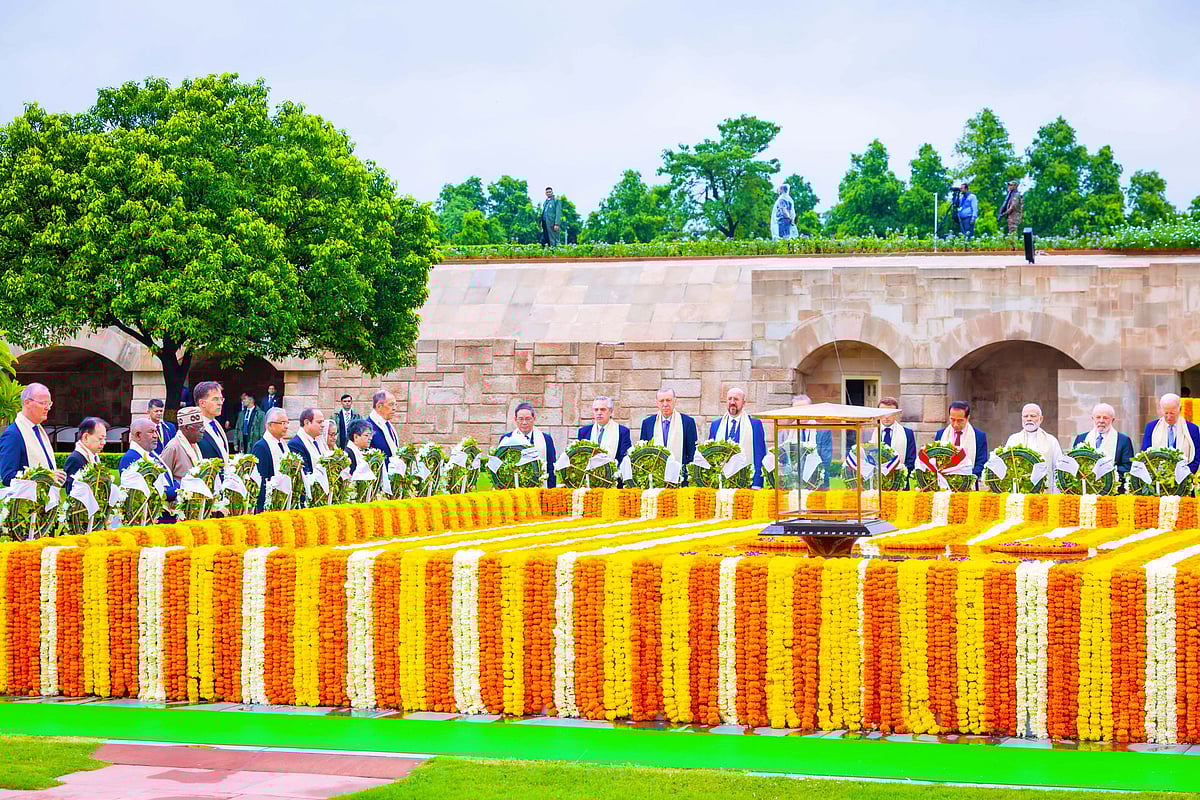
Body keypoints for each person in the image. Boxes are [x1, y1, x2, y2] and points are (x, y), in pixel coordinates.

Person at [0, 383, 67, 487]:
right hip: (27, 501)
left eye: (49, 403)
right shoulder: (13, 435)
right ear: (27, 403)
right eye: (43, 403)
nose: (47, 408)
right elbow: (8, 477)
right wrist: (45, 477)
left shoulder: (38, 430)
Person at [707, 387, 768, 487]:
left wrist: (757, 484)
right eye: (729, 399)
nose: (732, 402)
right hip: (720, 483)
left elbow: (759, 455)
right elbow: (710, 455)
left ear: (743, 403)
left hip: (747, 481)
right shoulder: (716, 425)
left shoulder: (755, 424)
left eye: (736, 399)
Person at [638, 388, 698, 481]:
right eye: (662, 401)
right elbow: (643, 454)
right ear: (657, 403)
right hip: (654, 478)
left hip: (681, 478)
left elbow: (692, 454)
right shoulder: (648, 423)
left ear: (675, 401)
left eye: (668, 400)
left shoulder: (687, 422)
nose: (665, 404)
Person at [499, 402, 559, 487]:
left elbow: (551, 467)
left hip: (540, 486)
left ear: (534, 419)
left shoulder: (546, 439)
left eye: (528, 419)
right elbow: (500, 468)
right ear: (515, 419)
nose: (524, 422)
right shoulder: (507, 439)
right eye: (521, 419)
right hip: (515, 487)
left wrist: (551, 491)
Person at [118, 418, 179, 503]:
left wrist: (175, 487)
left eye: (156, 431)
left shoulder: (151, 454)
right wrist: (176, 489)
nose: (155, 435)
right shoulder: (130, 458)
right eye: (151, 432)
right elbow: (150, 493)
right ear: (138, 435)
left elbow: (168, 481)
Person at [1006, 403, 1063, 486]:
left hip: (1044, 491)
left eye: (1033, 416)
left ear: (1041, 419)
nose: (1029, 419)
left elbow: (1057, 468)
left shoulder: (1051, 440)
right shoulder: (1013, 439)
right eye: (1025, 416)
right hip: (1019, 490)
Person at [1142, 393, 1200, 473]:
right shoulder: (1151, 427)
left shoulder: (1192, 429)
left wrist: (1183, 475)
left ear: (1180, 409)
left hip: (1185, 477)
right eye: (1166, 413)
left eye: (1172, 413)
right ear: (1161, 410)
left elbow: (1196, 458)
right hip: (1157, 478)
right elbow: (1145, 455)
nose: (1169, 417)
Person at [933, 400, 988, 482]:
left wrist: (964, 479)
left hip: (968, 483)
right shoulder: (940, 434)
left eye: (960, 420)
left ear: (967, 418)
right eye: (952, 419)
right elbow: (934, 460)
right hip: (944, 483)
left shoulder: (979, 436)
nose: (955, 424)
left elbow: (981, 463)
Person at [1073, 402, 1134, 475]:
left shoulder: (1123, 440)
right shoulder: (1081, 438)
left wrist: (1108, 475)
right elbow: (1073, 463)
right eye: (1098, 417)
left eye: (1105, 418)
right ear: (1093, 418)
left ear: (1113, 420)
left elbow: (1127, 467)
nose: (1101, 421)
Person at [786, 394, 833, 488]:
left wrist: (812, 480)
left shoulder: (823, 430)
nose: (800, 413)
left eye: (803, 409)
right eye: (797, 410)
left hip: (818, 483)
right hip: (793, 484)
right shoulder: (787, 430)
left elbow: (825, 461)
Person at [251, 407, 291, 512]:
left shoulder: (283, 444)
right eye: (282, 423)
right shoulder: (261, 446)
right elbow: (260, 480)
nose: (286, 426)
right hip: (268, 505)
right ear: (269, 425)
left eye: (287, 422)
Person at [578, 396, 631, 465]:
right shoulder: (584, 432)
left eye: (603, 409)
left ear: (611, 412)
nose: (599, 413)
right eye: (596, 410)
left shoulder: (622, 432)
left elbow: (624, 459)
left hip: (614, 474)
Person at [160, 406, 207, 481]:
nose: (203, 430)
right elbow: (162, 478)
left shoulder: (194, 445)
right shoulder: (173, 447)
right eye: (199, 427)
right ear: (186, 428)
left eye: (203, 426)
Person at [872, 397, 917, 472]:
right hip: (876, 479)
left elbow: (911, 462)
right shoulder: (870, 433)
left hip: (900, 479)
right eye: (883, 413)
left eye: (891, 413)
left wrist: (897, 475)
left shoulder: (907, 433)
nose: (887, 417)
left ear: (896, 414)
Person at [63, 417, 107, 489]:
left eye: (104, 439)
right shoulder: (75, 459)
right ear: (86, 437)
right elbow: (71, 492)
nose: (104, 443)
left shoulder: (95, 457)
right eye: (100, 439)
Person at [195, 381, 230, 462]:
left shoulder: (216, 425)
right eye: (215, 399)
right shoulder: (194, 429)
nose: (220, 403)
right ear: (202, 403)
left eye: (221, 399)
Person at [289, 408, 326, 475]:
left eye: (323, 422)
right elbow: (304, 474)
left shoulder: (319, 440)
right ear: (307, 423)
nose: (323, 425)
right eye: (319, 422)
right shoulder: (295, 444)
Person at [367, 389, 401, 459]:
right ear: (379, 406)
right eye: (391, 404)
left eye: (395, 405)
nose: (394, 408)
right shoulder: (367, 427)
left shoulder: (387, 424)